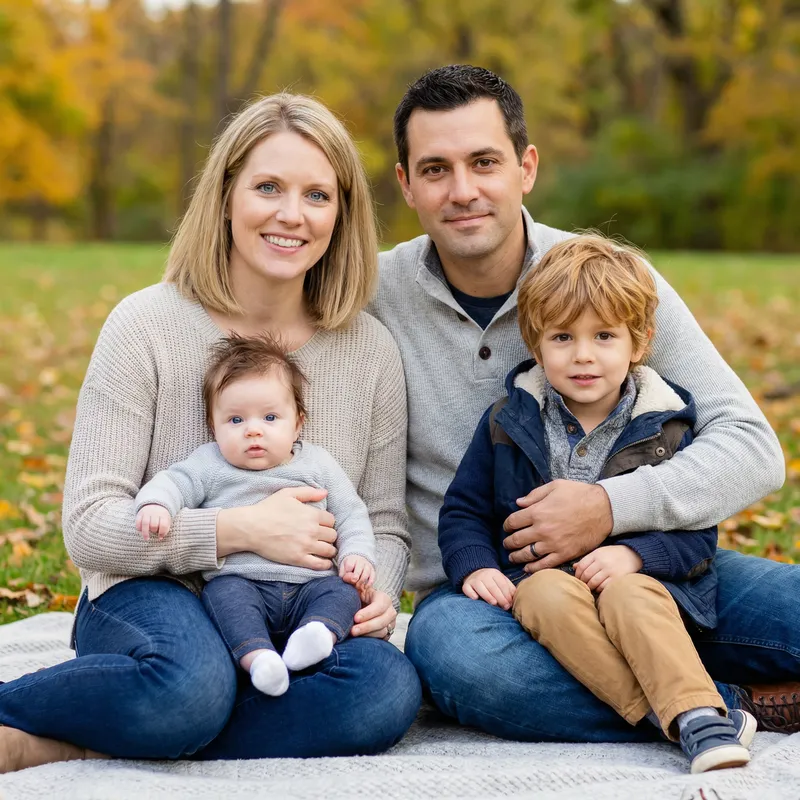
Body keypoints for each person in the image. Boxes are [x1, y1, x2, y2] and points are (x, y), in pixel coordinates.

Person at [369, 64, 799, 742]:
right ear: (405, 185)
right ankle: (721, 705)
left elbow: (751, 446)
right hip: (494, 596)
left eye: (484, 162)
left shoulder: (602, 278)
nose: (463, 191)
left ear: (526, 167)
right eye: (435, 170)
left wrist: (608, 509)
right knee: (454, 656)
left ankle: (666, 682)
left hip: (649, 567)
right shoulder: (372, 293)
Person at [0, 92, 421, 774]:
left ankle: (91, 737)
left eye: (317, 194)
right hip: (154, 595)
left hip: (302, 600)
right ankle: (93, 711)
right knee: (191, 685)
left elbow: (382, 518)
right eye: (268, 187)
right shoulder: (146, 327)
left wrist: (374, 589)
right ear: (226, 197)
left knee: (385, 693)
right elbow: (89, 527)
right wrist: (236, 532)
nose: (291, 214)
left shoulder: (368, 349)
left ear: (342, 214)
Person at [438, 234, 756, 773]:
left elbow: (697, 529)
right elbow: (464, 510)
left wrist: (635, 557)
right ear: (536, 345)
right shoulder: (507, 422)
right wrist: (475, 566)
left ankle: (695, 709)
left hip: (647, 590)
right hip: (542, 591)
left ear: (639, 342)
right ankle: (689, 716)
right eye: (563, 337)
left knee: (629, 596)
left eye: (604, 336)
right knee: (541, 594)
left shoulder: (665, 425)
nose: (583, 355)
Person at [135, 333, 377, 697]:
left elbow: (351, 514)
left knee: (342, 594)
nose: (253, 430)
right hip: (243, 583)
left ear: (298, 423)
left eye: (269, 417)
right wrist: (156, 505)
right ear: (213, 427)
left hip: (311, 586)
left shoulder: (318, 465)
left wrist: (357, 556)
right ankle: (260, 659)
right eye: (235, 419)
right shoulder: (211, 464)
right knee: (222, 598)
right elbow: (173, 482)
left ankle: (316, 636)